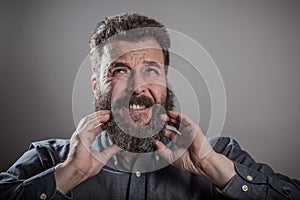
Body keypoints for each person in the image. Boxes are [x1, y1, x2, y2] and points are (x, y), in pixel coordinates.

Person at [0, 12, 299, 200]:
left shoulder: (221, 154)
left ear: (166, 81)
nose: (137, 87)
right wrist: (69, 175)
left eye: (151, 70)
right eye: (119, 71)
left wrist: (215, 168)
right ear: (96, 86)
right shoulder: (48, 157)